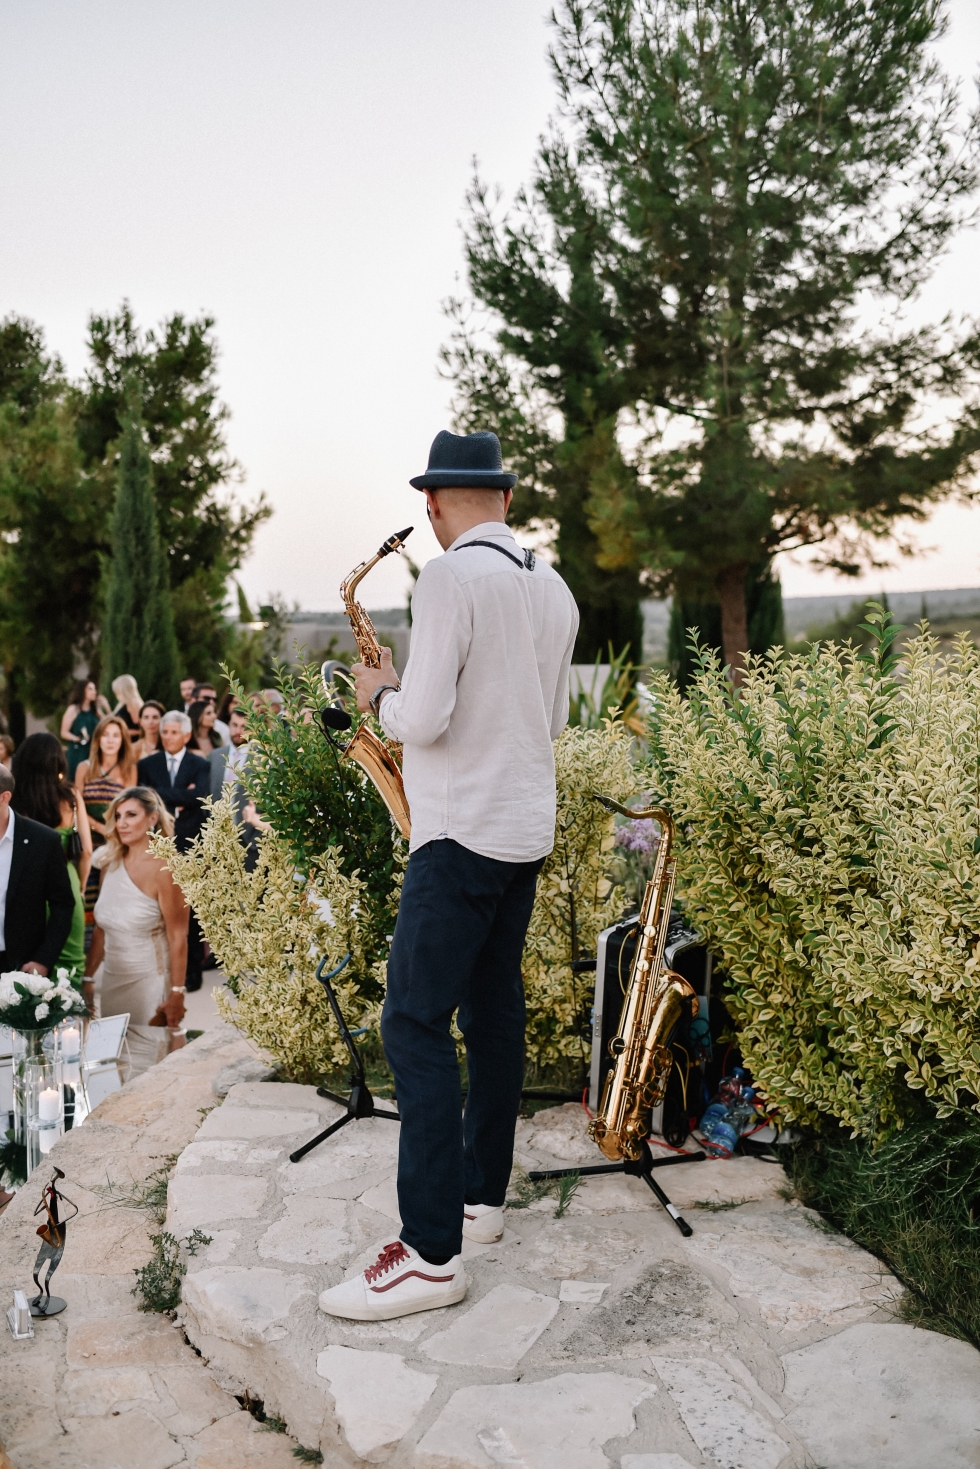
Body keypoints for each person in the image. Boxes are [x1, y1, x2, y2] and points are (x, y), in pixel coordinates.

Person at [319, 429, 578, 1324]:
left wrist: (377, 691)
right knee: (492, 1008)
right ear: (504, 498)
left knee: (413, 1021)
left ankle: (431, 1255)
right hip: (521, 831)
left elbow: (421, 718)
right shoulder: (552, 586)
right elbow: (541, 716)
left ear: (435, 506)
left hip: (458, 833)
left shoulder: (449, 580)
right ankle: (481, 1199)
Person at [83, 787, 188, 1079]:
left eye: (131, 815)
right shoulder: (110, 862)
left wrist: (177, 994)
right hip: (113, 985)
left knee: (146, 1074)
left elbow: (178, 937)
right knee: (112, 1072)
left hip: (151, 985)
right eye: (118, 816)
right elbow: (102, 928)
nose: (122, 823)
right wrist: (89, 978)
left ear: (152, 818)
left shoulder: (167, 868)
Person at [137, 711, 211, 992]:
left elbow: (201, 798)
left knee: (189, 913)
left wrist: (162, 793)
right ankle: (161, 973)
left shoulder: (199, 764)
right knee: (156, 911)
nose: (167, 736)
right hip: (156, 847)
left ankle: (192, 974)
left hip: (190, 848)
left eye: (173, 732)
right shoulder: (147, 764)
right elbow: (145, 798)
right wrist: (182, 794)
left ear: (187, 735)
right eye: (164, 732)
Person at [11, 733, 93, 982]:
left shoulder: (14, 798)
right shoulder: (70, 797)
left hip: (24, 888)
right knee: (70, 970)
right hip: (64, 884)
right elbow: (87, 851)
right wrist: (78, 888)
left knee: (26, 973)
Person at [0, 762, 75, 976]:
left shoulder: (43, 841)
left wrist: (43, 959)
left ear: (4, 797)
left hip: (20, 965)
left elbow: (63, 905)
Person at [75, 715, 137, 842]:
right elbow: (76, 807)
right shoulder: (83, 768)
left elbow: (130, 809)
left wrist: (113, 830)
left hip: (117, 836)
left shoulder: (130, 770)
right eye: (105, 735)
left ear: (122, 740)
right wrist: (99, 827)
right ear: (98, 739)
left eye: (116, 736)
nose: (110, 740)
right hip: (87, 835)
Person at [60, 678, 110, 780]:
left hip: (93, 750)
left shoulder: (95, 710)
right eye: (90, 689)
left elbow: (109, 723)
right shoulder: (74, 709)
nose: (94, 692)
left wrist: (106, 706)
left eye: (95, 689)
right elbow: (64, 732)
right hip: (78, 751)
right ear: (82, 690)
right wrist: (76, 738)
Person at [111, 674, 144, 744]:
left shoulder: (134, 704)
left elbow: (139, 729)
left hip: (131, 744)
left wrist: (121, 731)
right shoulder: (123, 703)